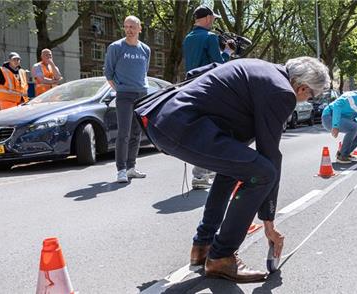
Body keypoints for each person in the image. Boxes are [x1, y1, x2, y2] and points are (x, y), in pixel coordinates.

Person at [135, 57, 330, 282]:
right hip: (183, 127)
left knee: (236, 169)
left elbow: (199, 72)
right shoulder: (282, 91)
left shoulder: (262, 69)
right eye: (310, 96)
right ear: (302, 87)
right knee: (263, 172)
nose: (306, 100)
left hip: (168, 119)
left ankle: (203, 246)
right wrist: (269, 223)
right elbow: (269, 155)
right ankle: (222, 256)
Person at [182, 5, 234, 190]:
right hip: (209, 88)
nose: (213, 22)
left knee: (200, 129)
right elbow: (218, 65)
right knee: (212, 129)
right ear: (206, 18)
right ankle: (201, 174)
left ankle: (208, 169)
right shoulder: (210, 37)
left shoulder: (188, 38)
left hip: (190, 87)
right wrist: (227, 53)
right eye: (212, 18)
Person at [104, 15, 151, 183]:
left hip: (141, 95)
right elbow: (108, 73)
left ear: (140, 29)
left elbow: (144, 71)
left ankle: (131, 167)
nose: (129, 30)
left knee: (136, 133)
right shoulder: (116, 47)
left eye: (132, 27)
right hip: (124, 95)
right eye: (126, 26)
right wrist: (121, 89)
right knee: (123, 133)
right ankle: (121, 170)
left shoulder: (145, 49)